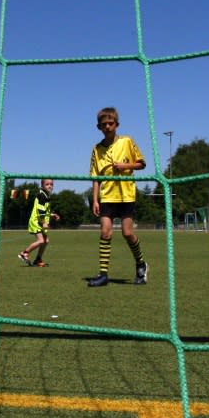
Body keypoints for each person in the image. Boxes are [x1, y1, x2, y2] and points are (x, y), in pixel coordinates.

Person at [87, 107, 148, 287]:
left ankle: (141, 264)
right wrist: (95, 200)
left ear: (117, 124)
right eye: (103, 124)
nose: (107, 127)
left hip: (126, 194)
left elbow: (142, 164)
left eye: (110, 123)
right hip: (107, 196)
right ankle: (103, 274)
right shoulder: (97, 149)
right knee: (105, 232)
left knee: (127, 233)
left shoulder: (127, 141)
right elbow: (95, 177)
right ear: (98, 127)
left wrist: (124, 165)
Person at [18, 179, 60, 267]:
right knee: (41, 241)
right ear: (42, 186)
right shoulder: (42, 195)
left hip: (40, 221)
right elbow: (40, 210)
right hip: (36, 222)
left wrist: (52, 214)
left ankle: (38, 259)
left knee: (46, 241)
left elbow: (44, 210)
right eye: (47, 184)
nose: (50, 186)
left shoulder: (46, 195)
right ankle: (24, 253)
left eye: (51, 184)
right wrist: (44, 222)